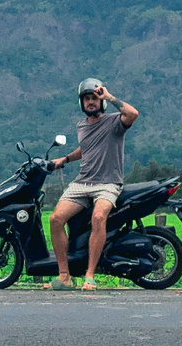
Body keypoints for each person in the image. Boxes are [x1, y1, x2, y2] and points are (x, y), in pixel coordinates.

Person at [47, 78, 139, 290]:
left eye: (94, 98)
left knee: (98, 217)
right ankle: (64, 276)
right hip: (83, 182)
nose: (90, 102)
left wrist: (109, 96)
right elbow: (86, 148)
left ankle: (90, 275)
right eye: (86, 99)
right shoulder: (81, 126)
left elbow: (133, 114)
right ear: (82, 103)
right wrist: (65, 159)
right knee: (55, 219)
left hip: (108, 183)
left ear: (101, 101)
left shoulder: (115, 122)